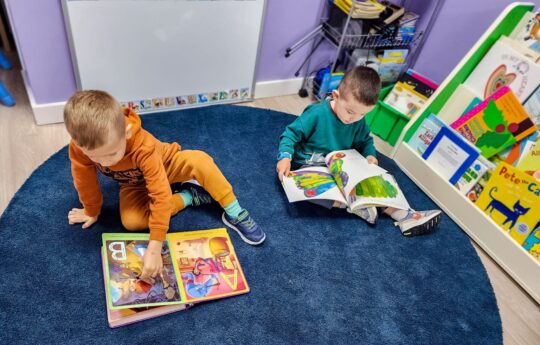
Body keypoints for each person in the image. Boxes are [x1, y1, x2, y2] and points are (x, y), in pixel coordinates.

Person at [64, 90, 265, 283]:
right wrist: (91, 210)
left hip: (167, 166)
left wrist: (155, 246)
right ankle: (189, 196)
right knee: (131, 222)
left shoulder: (143, 147)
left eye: (111, 154)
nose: (105, 163)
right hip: (133, 183)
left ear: (126, 133)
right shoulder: (80, 147)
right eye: (95, 157)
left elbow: (159, 194)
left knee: (201, 162)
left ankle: (234, 212)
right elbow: (84, 179)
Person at [276, 66, 442, 236]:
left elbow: (365, 141)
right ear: (335, 96)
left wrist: (370, 155)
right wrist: (285, 157)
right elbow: (291, 134)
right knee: (311, 189)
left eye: (362, 115)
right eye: (350, 112)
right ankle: (353, 206)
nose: (353, 118)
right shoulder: (317, 113)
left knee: (373, 183)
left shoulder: (357, 120)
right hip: (309, 165)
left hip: (340, 165)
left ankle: (404, 215)